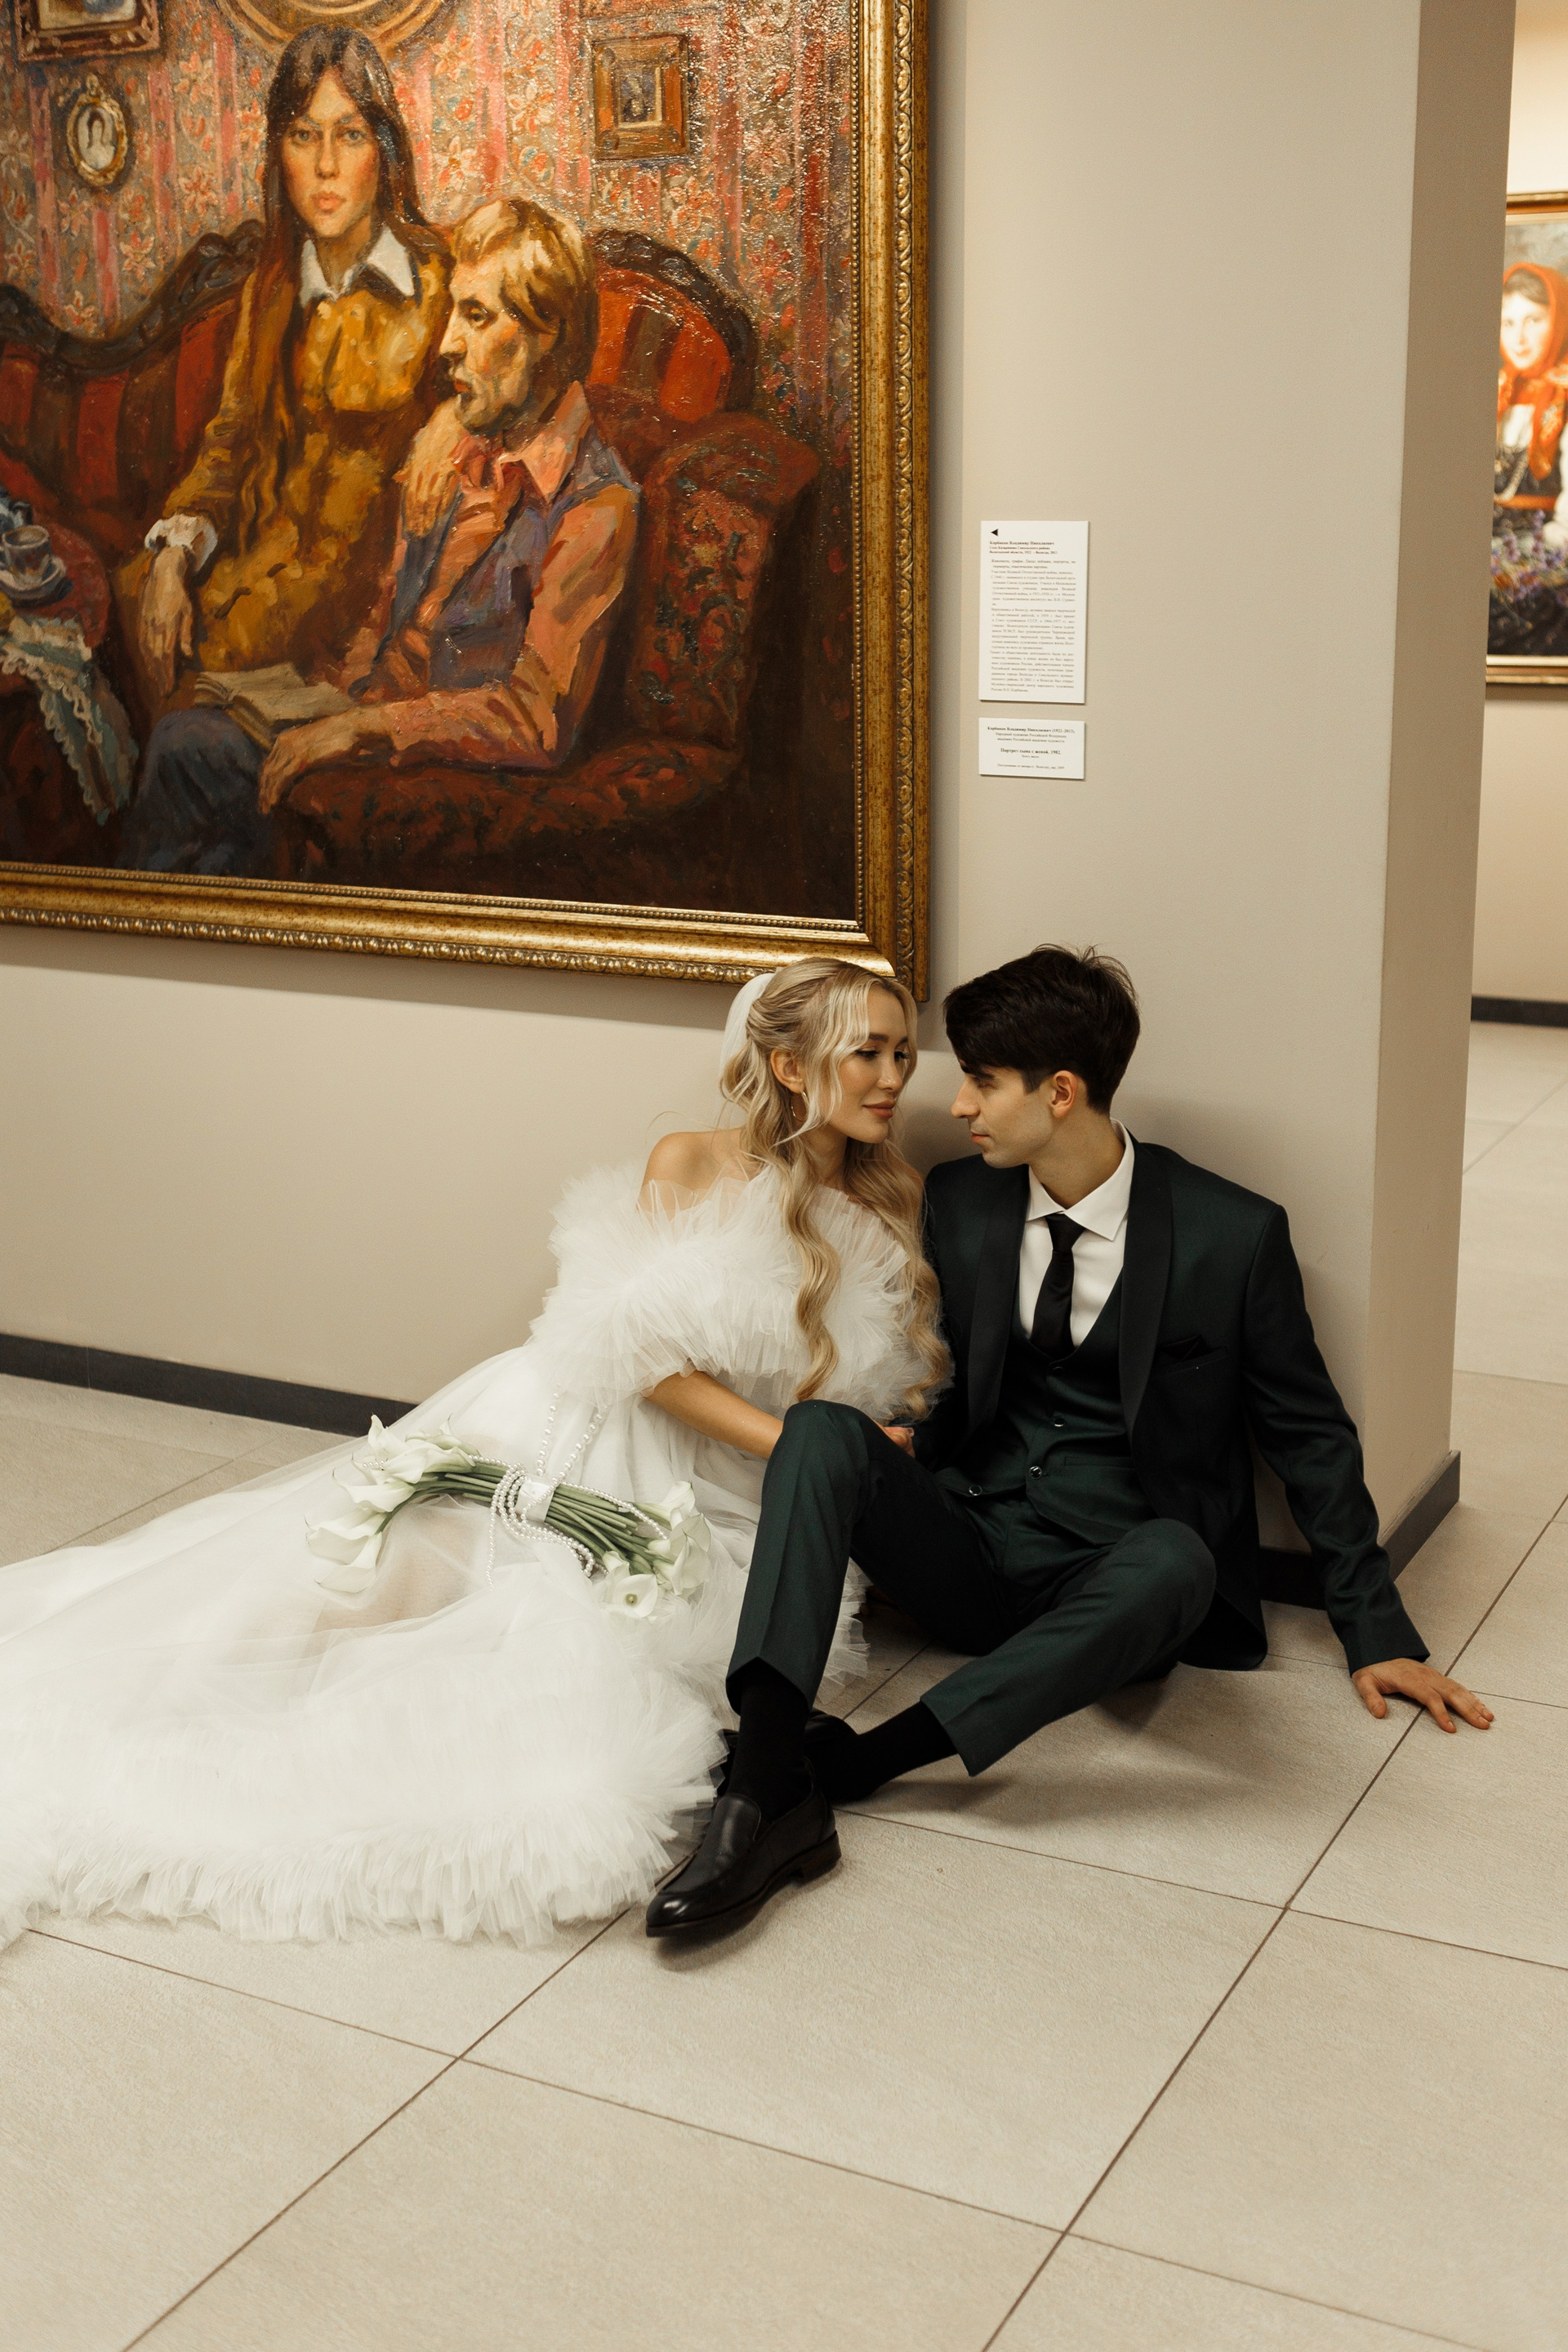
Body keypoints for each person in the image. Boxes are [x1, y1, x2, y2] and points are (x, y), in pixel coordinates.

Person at [0, 961, 946, 1950]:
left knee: (558, 1652)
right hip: (584, 1421)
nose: (893, 1078)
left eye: (901, 1054)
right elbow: (642, 1363)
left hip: (730, 1485)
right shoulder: (690, 1161)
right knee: (383, 1574)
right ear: (790, 1066)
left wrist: (857, 1453)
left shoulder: (886, 1195)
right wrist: (803, 1444)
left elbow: (865, 1377)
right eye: (867, 1054)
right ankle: (173, 1706)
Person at [647, 945, 1494, 1940]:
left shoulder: (1231, 1234)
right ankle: (762, 1788)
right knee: (821, 1431)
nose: (954, 1103)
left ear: (1059, 1092)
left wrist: (1376, 1630)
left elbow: (1309, 1436)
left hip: (1112, 1575)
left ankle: (862, 1765)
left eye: (980, 1080)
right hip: (968, 1540)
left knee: (1180, 1559)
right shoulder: (958, 1201)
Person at [126, 194, 637, 876]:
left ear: (549, 334)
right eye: (453, 311)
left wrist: (359, 730)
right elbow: (384, 618)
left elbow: (534, 719)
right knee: (190, 735)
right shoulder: (458, 450)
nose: (447, 343)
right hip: (361, 714)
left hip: (434, 762)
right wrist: (322, 706)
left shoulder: (596, 503)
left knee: (187, 757)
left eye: (476, 316)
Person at [114, 28, 449, 751]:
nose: (325, 166)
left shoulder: (440, 285)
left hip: (353, 627)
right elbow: (228, 447)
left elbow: (505, 402)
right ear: (279, 153)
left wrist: (454, 421)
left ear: (385, 152)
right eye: (303, 136)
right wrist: (173, 555)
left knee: (184, 745)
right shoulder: (270, 292)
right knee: (139, 599)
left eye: (350, 135)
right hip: (252, 600)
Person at [1491, 261, 1568, 658]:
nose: (1518, 338)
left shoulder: (1564, 400)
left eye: (1533, 320)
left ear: (1559, 320)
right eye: (1508, 323)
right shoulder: (1494, 395)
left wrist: (1519, 559)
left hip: (1544, 568)